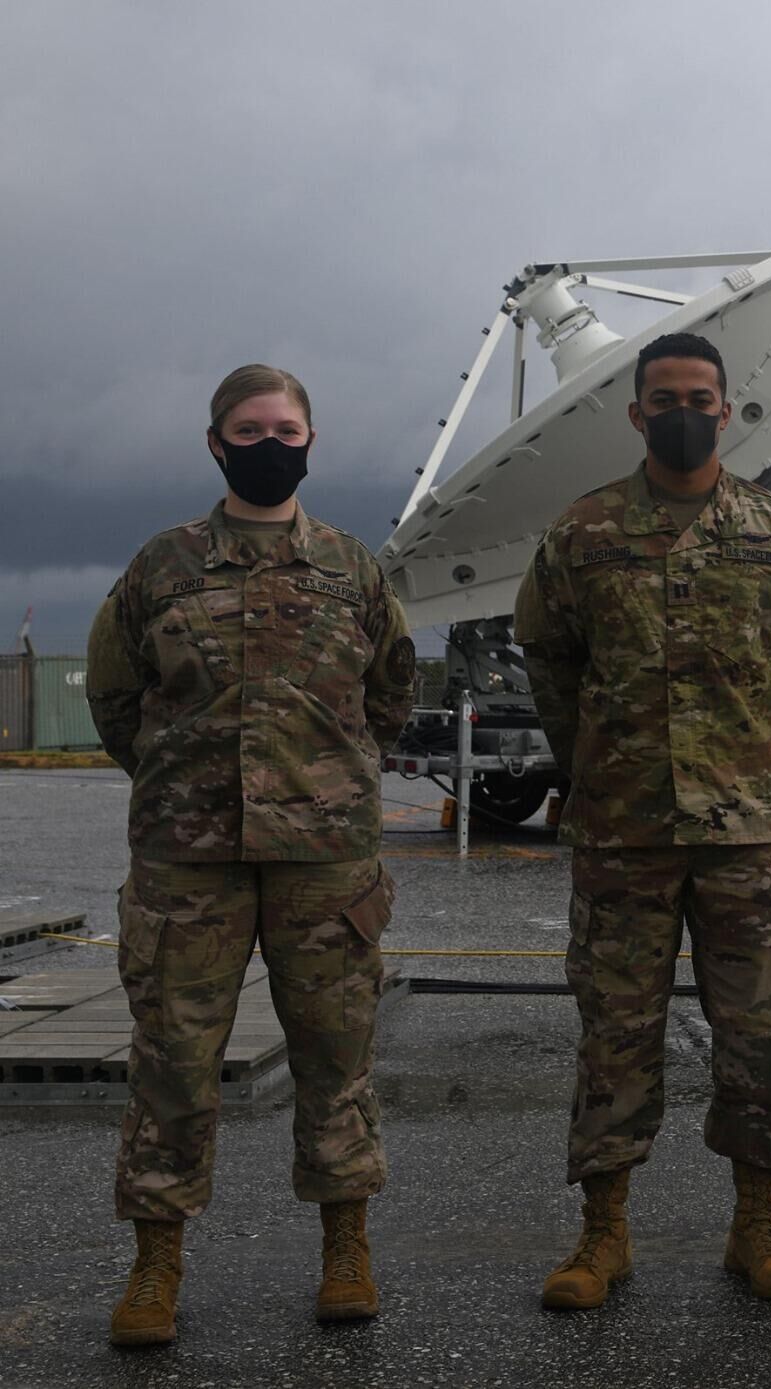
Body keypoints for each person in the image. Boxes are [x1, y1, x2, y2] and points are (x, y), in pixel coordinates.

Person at [85, 364, 415, 1346]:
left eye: (285, 426)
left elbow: (389, 694)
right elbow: (114, 697)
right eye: (248, 426)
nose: (269, 440)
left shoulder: (352, 569)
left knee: (336, 1058)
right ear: (216, 442)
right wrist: (175, 782)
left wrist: (333, 780)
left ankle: (345, 1249)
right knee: (173, 1063)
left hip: (325, 861)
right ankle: (156, 1265)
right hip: (188, 863)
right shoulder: (162, 567)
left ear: (310, 441)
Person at [514, 331, 771, 1309]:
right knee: (614, 1031)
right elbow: (549, 659)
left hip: (744, 833)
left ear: (726, 409)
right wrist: (592, 765)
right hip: (623, 832)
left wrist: (753, 741)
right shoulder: (583, 533)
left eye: (700, 395)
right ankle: (602, 1236)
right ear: (637, 413)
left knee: (756, 1032)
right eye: (664, 398)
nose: (683, 411)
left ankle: (757, 1227)